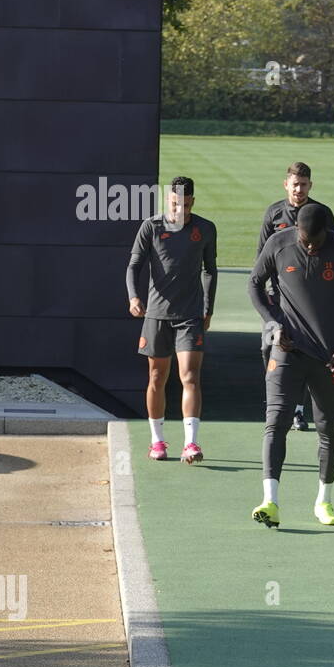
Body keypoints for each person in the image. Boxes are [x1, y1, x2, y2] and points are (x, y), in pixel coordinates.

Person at [248, 203, 334, 527]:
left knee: (328, 429)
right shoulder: (280, 243)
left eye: (315, 241)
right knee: (276, 422)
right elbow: (254, 284)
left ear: (325, 232)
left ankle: (324, 502)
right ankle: (270, 501)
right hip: (286, 352)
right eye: (305, 240)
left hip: (328, 358)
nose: (309, 246)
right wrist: (274, 325)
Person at [126, 176, 217, 464]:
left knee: (190, 376)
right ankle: (157, 441)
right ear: (168, 200)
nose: (181, 211)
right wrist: (133, 298)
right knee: (157, 377)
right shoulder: (150, 227)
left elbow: (210, 270)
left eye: (187, 206)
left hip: (190, 315)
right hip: (156, 314)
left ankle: (191, 444)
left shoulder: (205, 229)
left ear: (193, 202)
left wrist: (207, 307)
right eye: (177, 205)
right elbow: (134, 266)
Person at [256, 161, 334, 432]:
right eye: (295, 185)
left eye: (304, 185)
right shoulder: (274, 213)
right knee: (270, 347)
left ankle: (298, 410)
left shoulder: (321, 213)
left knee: (304, 352)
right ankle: (276, 403)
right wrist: (267, 293)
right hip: (277, 296)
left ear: (310, 185)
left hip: (308, 300)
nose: (299, 189)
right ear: (286, 185)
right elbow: (261, 258)